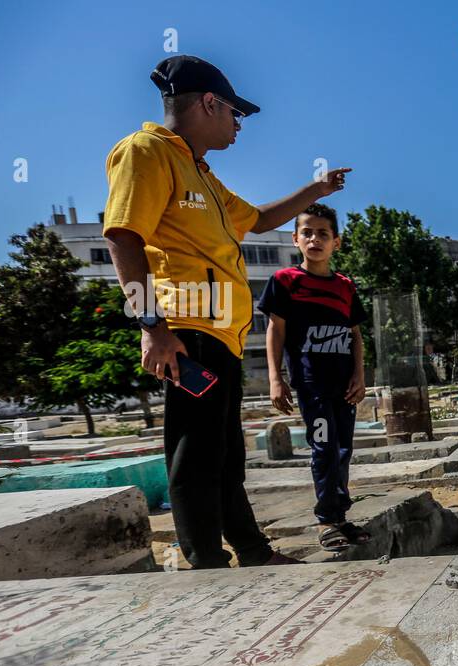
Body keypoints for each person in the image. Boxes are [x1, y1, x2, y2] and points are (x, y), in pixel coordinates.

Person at [103, 55, 352, 568]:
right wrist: (152, 325)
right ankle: (204, 558)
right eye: (235, 113)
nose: (239, 124)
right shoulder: (147, 152)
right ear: (209, 103)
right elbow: (123, 235)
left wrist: (316, 190)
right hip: (185, 330)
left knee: (226, 454)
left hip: (221, 336)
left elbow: (258, 220)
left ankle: (252, 550)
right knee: (195, 451)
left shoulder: (203, 176)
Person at [259, 204, 369, 552]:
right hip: (311, 386)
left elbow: (356, 336)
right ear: (296, 239)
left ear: (336, 242)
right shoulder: (285, 282)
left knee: (343, 449)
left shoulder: (345, 287)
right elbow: (275, 331)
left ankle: (340, 516)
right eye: (307, 232)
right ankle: (326, 522)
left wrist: (359, 375)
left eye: (323, 234)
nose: (314, 239)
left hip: (344, 387)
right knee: (324, 447)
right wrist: (276, 379)